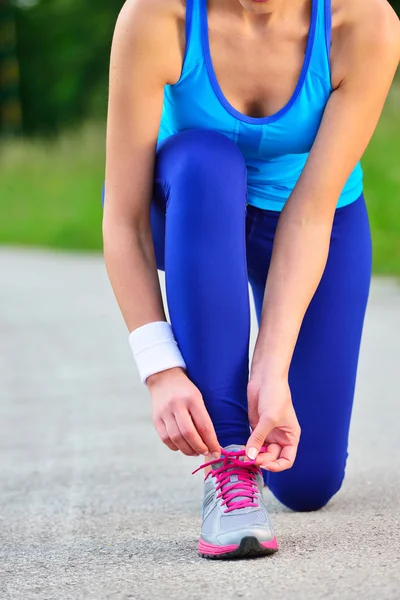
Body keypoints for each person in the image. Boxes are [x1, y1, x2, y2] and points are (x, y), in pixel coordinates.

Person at [103, 0, 400, 559]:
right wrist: (160, 369)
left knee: (307, 483)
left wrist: (272, 363)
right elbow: (122, 220)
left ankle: (251, 425)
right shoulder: (155, 16)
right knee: (209, 161)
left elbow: (312, 212)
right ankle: (230, 466)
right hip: (188, 205)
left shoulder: (366, 24)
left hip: (313, 215)